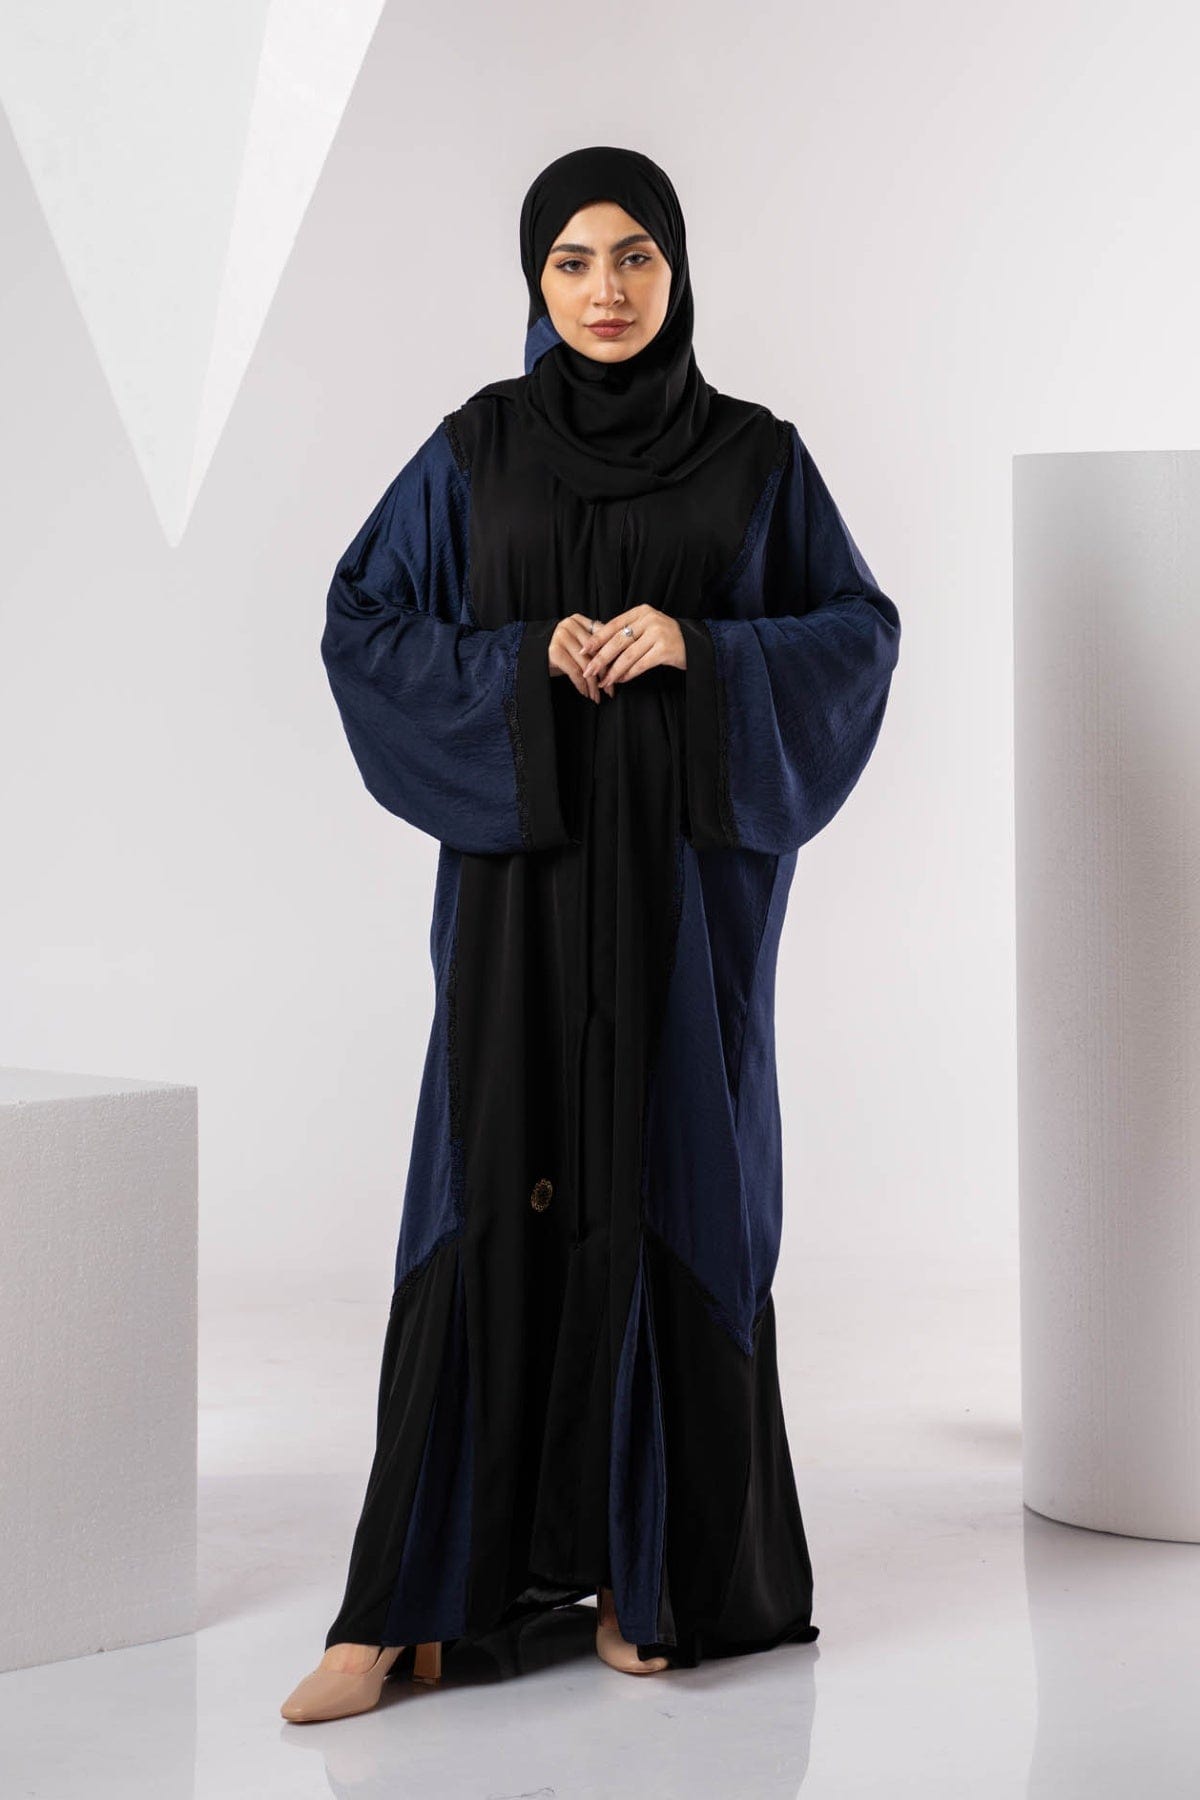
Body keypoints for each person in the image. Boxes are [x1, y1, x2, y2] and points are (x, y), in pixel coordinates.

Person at [281, 143, 901, 1724]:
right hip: (521, 907)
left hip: (683, 915)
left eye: (635, 256)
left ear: (677, 270)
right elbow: (363, 623)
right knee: (486, 1183)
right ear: (534, 279)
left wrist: (700, 643)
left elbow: (856, 637)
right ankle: (411, 1604)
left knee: (672, 1175)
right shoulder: (474, 452)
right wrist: (513, 663)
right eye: (572, 260)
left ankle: (652, 1573)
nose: (606, 290)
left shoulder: (756, 459)